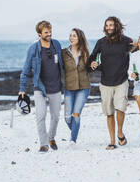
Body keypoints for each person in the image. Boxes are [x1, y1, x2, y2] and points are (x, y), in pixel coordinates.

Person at [19, 20, 63, 153]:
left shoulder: (56, 44)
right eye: (46, 32)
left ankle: (51, 137)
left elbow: (63, 63)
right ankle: (43, 144)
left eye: (50, 31)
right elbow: (26, 70)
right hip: (40, 88)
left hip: (56, 87)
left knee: (55, 117)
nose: (49, 34)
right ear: (39, 34)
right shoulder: (33, 49)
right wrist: (22, 88)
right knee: (40, 116)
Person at [89, 16, 133, 150]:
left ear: (116, 26)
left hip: (121, 81)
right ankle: (112, 141)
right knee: (109, 113)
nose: (108, 27)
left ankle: (120, 132)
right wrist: (93, 64)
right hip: (106, 82)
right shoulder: (101, 42)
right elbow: (92, 58)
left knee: (120, 108)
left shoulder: (126, 41)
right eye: (107, 25)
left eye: (111, 25)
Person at [62, 28, 91, 147]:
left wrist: (95, 65)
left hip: (83, 88)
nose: (71, 38)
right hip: (69, 88)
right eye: (70, 35)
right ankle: (75, 129)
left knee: (76, 114)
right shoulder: (63, 53)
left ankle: (73, 140)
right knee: (67, 117)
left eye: (74, 36)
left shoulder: (85, 53)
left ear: (79, 38)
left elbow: (91, 68)